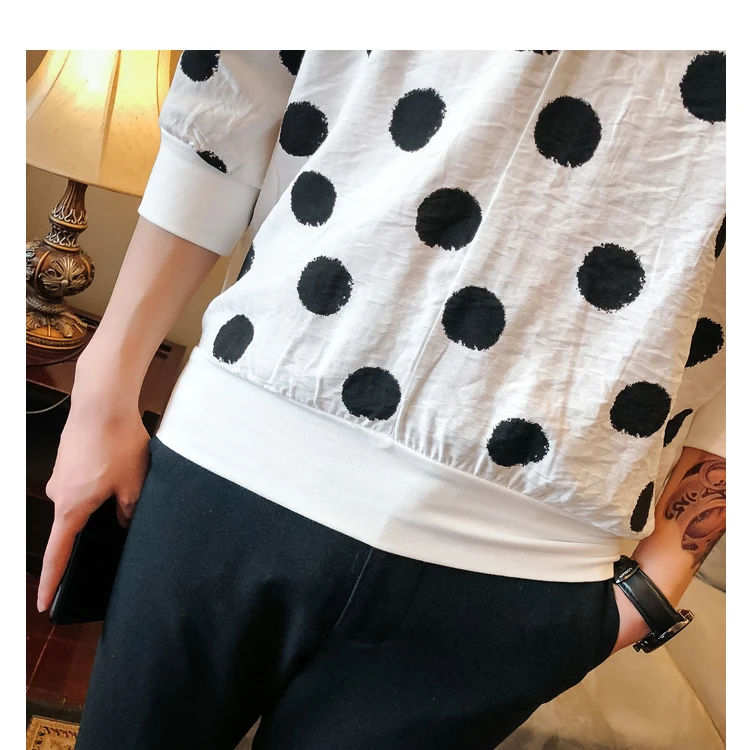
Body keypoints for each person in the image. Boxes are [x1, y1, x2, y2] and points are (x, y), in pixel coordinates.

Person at [37, 50, 726, 750]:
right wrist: (103, 386)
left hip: (524, 556)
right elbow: (237, 84)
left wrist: (668, 571)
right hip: (241, 446)